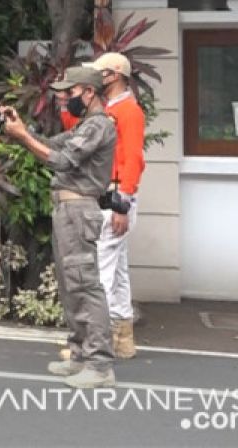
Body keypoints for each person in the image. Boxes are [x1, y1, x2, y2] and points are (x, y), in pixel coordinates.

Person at [0, 65, 118, 389]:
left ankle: (100, 365)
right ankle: (80, 355)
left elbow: (60, 161)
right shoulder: (85, 126)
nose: (64, 98)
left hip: (79, 209)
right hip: (68, 209)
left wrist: (23, 136)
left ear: (89, 92)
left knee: (84, 284)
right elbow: (48, 144)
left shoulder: (99, 126)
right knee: (70, 284)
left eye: (71, 92)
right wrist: (22, 129)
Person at [84, 52, 146, 359]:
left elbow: (133, 158)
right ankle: (122, 339)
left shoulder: (128, 111)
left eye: (101, 73)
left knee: (101, 273)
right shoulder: (112, 108)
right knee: (117, 272)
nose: (97, 78)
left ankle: (95, 343)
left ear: (116, 75)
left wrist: (122, 203)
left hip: (114, 198)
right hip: (113, 196)